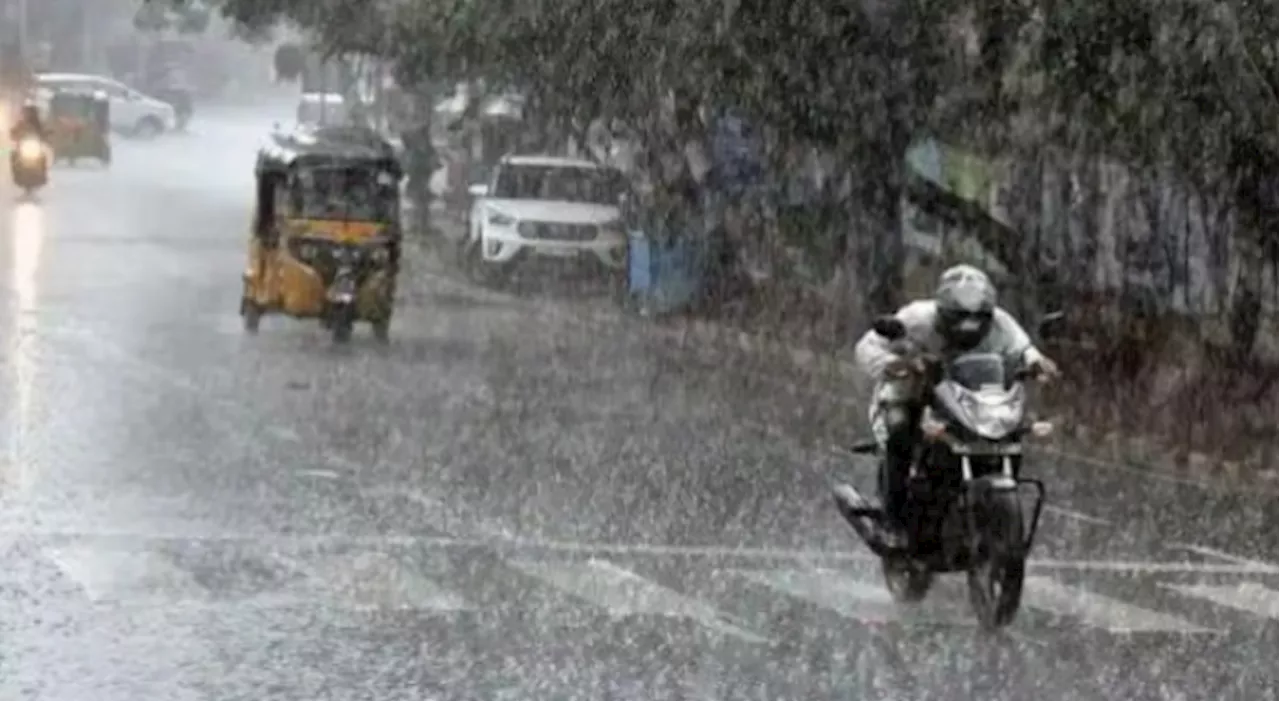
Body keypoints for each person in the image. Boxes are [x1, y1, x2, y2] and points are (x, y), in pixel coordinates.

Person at [853, 264, 1060, 547]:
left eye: (977, 320)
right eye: (959, 319)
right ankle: (895, 521)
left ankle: (987, 502)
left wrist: (1037, 364)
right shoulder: (916, 319)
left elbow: (1022, 349)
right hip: (914, 392)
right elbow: (868, 347)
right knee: (900, 430)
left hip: (972, 398)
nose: (968, 328)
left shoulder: (1001, 323)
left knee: (1009, 435)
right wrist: (896, 364)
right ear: (942, 312)